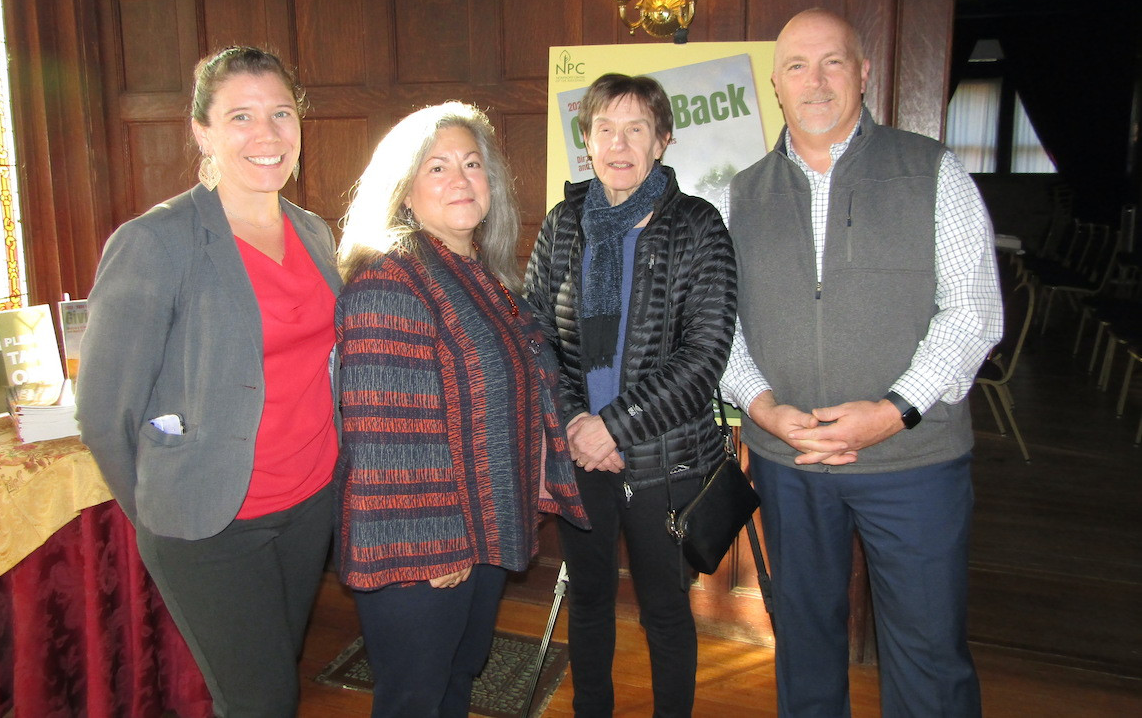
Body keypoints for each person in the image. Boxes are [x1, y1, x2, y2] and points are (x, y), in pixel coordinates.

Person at [722, 9, 1003, 717]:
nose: (815, 82)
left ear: (864, 73)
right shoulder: (739, 196)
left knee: (928, 654)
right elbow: (718, 328)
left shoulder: (932, 171)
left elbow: (974, 313)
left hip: (914, 462)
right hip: (791, 461)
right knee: (807, 647)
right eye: (796, 67)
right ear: (775, 86)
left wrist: (894, 411)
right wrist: (765, 410)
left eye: (833, 63)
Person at [76, 46, 342, 717]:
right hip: (214, 523)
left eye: (281, 113)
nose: (267, 134)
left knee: (272, 677)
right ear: (203, 131)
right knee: (264, 701)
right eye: (241, 116)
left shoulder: (313, 232)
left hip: (309, 504)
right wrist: (168, 515)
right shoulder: (156, 241)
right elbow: (106, 414)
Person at [333, 101, 588, 718]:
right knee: (414, 699)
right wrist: (437, 548)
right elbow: (389, 437)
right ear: (404, 193)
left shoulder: (481, 277)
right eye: (438, 167)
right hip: (423, 547)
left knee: (455, 682)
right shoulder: (390, 283)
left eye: (472, 164)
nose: (461, 178)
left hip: (479, 532)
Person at [524, 73, 736, 717]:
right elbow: (533, 336)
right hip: (579, 457)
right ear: (586, 141)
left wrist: (610, 428)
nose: (619, 144)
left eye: (636, 129)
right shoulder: (564, 223)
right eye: (604, 130)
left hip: (666, 463)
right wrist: (573, 428)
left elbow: (705, 359)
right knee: (588, 602)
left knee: (666, 614)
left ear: (663, 141)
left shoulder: (698, 226)